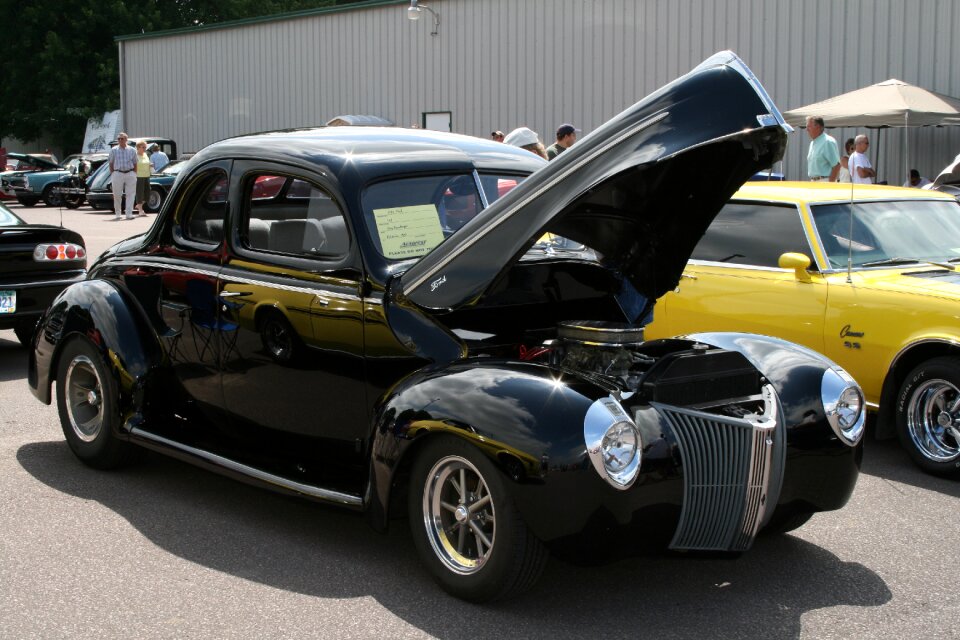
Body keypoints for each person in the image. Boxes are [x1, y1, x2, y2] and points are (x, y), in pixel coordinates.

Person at [108, 132, 137, 220]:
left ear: (126, 140)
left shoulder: (132, 150)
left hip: (130, 172)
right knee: (117, 194)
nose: (120, 140)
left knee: (130, 194)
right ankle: (118, 213)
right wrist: (113, 173)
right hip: (118, 173)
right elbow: (110, 163)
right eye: (119, 139)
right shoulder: (114, 150)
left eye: (122, 138)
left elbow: (135, 162)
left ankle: (129, 213)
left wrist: (134, 173)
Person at [805, 116, 840, 182]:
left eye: (809, 126)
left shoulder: (828, 142)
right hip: (813, 182)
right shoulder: (812, 143)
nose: (807, 129)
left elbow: (836, 165)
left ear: (818, 127)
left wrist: (830, 184)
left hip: (824, 181)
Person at [134, 140, 152, 216]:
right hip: (139, 176)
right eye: (143, 147)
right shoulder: (135, 155)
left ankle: (139, 205)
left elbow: (147, 163)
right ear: (138, 147)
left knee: (148, 192)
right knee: (140, 192)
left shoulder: (145, 154)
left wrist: (150, 165)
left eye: (145, 147)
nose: (145, 148)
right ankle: (140, 210)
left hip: (146, 175)